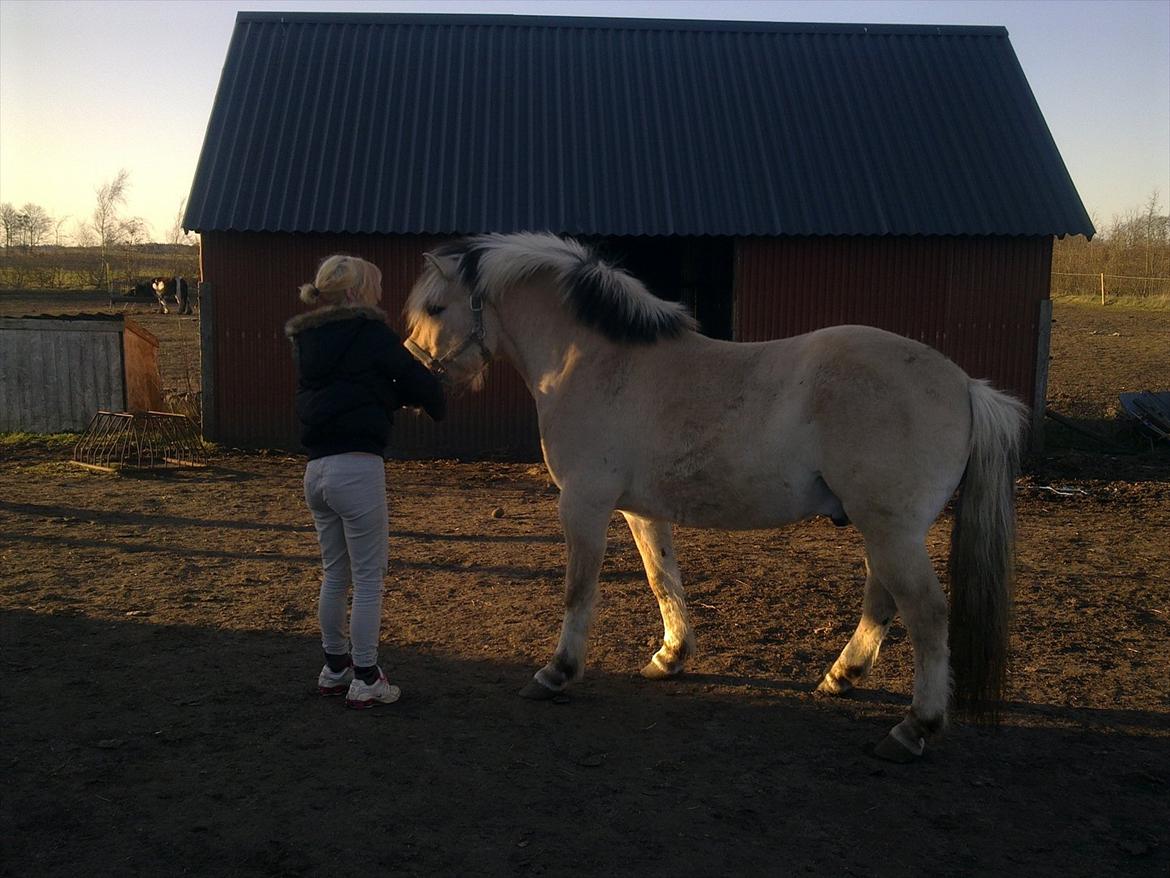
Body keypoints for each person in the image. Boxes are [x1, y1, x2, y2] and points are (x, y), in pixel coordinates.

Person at [285, 254, 446, 709]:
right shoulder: (370, 333)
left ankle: (334, 668)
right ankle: (367, 677)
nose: (379, 295)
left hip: (315, 471)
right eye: (373, 287)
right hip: (357, 468)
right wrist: (434, 396)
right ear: (356, 294)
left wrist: (385, 395)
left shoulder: (309, 341)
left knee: (335, 573)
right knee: (370, 578)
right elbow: (416, 381)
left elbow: (351, 388)